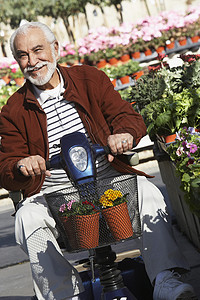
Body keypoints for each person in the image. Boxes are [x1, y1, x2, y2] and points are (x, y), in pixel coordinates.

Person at [0, 21, 197, 300]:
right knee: (26, 218)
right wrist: (20, 165)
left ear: (56, 49)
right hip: (55, 194)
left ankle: (166, 280)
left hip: (108, 180)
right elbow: (5, 166)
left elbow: (127, 117)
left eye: (38, 50)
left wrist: (124, 134)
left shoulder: (89, 79)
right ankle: (65, 295)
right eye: (23, 55)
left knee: (148, 193)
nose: (32, 61)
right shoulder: (13, 109)